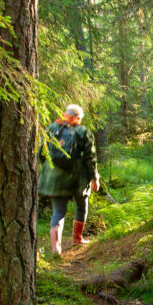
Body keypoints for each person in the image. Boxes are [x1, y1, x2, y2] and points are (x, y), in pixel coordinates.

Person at [38, 104, 99, 255]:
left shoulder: (52, 128)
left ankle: (55, 249)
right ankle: (77, 237)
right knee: (82, 206)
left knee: (58, 212)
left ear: (65, 114)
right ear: (78, 119)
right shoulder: (83, 132)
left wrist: (51, 169)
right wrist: (94, 177)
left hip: (55, 179)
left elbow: (41, 153)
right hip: (78, 178)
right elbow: (90, 158)